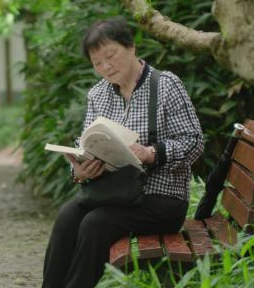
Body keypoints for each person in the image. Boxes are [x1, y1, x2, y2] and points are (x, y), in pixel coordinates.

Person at [41, 18, 204, 288]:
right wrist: (80, 171)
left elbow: (194, 142)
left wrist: (151, 153)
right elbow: (87, 143)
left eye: (111, 55)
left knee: (95, 223)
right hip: (115, 193)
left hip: (161, 199)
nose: (105, 67)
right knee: (68, 215)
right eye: (97, 63)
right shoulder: (98, 95)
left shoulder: (165, 85)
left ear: (131, 48)